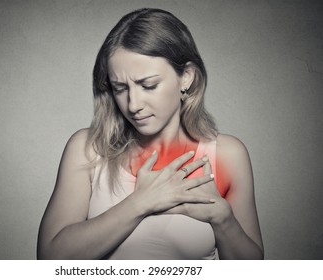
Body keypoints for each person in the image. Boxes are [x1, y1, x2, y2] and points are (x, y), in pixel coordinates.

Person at [37, 8, 264, 260]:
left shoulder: (226, 155)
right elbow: (50, 259)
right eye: (120, 88)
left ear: (186, 77)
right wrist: (139, 203)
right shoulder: (89, 149)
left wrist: (224, 221)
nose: (133, 104)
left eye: (149, 85)